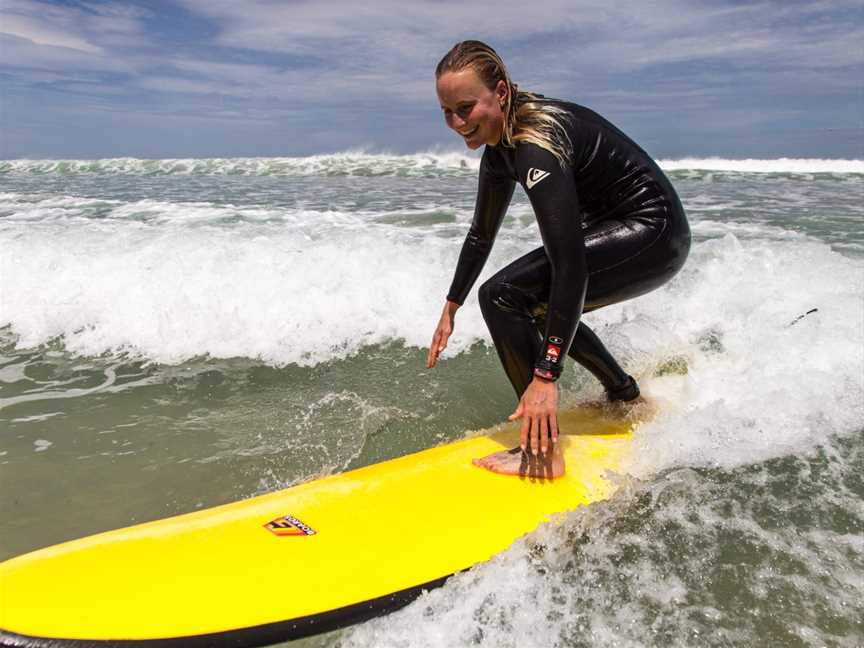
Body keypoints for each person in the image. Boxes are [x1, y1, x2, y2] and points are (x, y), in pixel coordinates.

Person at [426, 40, 691, 479]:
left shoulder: (535, 146)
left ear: (502, 94)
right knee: (523, 298)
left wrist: (546, 377)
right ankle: (624, 398)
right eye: (447, 111)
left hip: (653, 233)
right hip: (631, 231)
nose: (456, 123)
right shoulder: (500, 149)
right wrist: (451, 305)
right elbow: (480, 235)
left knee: (503, 296)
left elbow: (571, 267)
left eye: (466, 107)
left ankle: (543, 451)